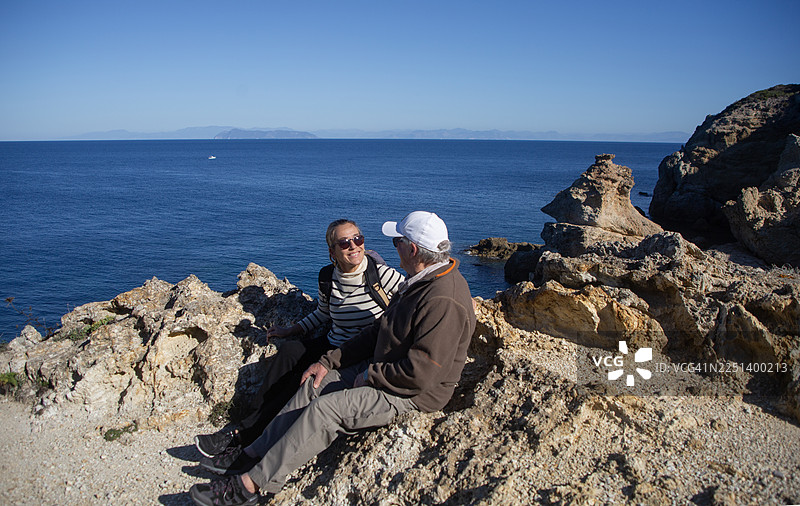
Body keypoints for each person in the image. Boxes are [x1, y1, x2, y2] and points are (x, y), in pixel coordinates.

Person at [189, 211, 477, 506]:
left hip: (414, 392)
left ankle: (250, 486)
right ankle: (253, 453)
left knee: (327, 409)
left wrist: (370, 376)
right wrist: (329, 362)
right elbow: (378, 329)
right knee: (314, 384)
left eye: (397, 242)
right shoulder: (419, 280)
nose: (394, 247)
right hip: (388, 366)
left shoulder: (442, 298)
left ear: (413, 249)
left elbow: (423, 373)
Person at [194, 219, 404, 458]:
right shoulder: (328, 277)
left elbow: (410, 302)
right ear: (332, 251)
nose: (353, 246)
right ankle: (245, 424)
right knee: (289, 353)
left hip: (356, 351)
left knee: (301, 382)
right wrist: (292, 330)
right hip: (333, 342)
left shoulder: (382, 276)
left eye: (358, 239)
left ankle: (245, 436)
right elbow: (324, 314)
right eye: (344, 242)